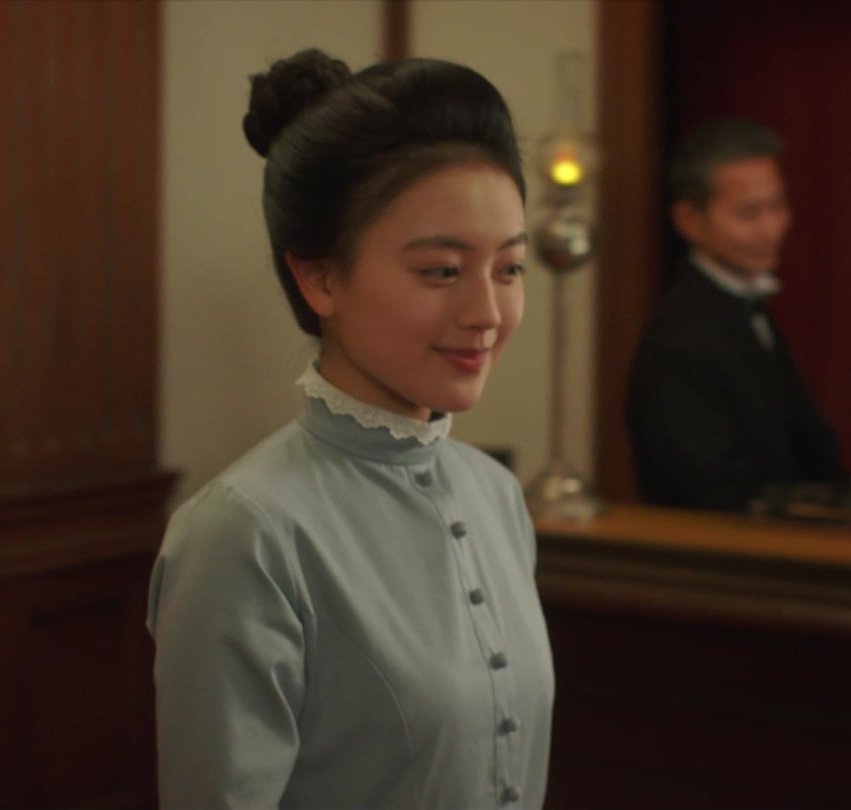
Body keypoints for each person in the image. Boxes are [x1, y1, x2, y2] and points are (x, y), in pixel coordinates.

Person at [146, 50, 554, 808]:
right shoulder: (246, 532)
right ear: (320, 276)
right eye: (441, 270)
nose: (487, 314)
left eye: (509, 269)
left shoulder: (497, 496)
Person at [625, 118, 851, 525]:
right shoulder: (680, 338)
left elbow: (794, 451)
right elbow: (718, 493)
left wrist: (850, 486)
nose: (772, 229)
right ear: (689, 220)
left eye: (777, 206)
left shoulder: (744, 308)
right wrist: (849, 500)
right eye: (749, 213)